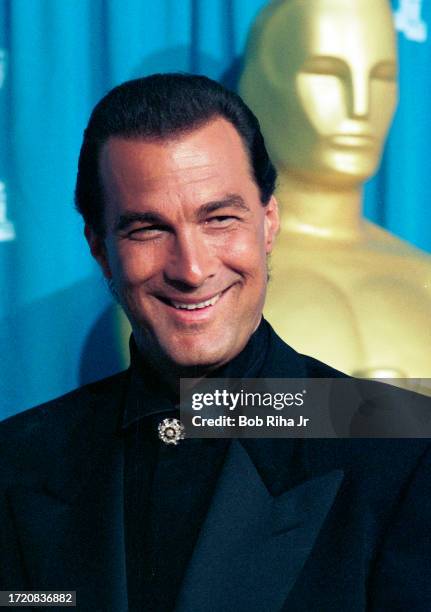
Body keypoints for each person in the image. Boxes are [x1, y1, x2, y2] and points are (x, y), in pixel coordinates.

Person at [1, 73, 430, 612]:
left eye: (220, 219)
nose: (193, 268)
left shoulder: (405, 448)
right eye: (147, 229)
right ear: (100, 247)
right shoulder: (17, 461)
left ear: (268, 223)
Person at [240, 0, 431, 392]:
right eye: (326, 73)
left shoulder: (424, 277)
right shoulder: (199, 284)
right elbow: (199, 416)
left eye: (381, 78)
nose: (360, 107)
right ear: (256, 88)